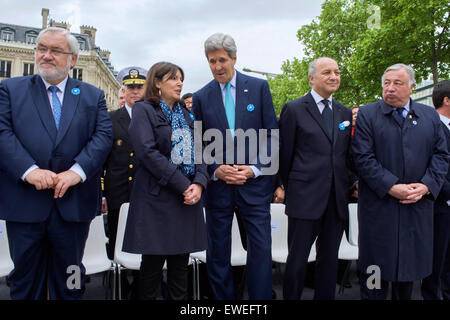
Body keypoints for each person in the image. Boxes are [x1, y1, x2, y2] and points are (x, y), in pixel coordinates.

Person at [0, 27, 112, 300]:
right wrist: (30, 171)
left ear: (72, 59)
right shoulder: (10, 89)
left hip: (73, 207)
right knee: (25, 282)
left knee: (71, 279)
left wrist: (76, 172)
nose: (46, 56)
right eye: (41, 49)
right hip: (25, 206)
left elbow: (103, 136)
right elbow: (2, 133)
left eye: (55, 51)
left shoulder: (92, 95)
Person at [352, 63, 449, 300]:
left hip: (416, 209)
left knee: (407, 275)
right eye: (386, 83)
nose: (390, 88)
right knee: (375, 277)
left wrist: (427, 185)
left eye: (397, 83)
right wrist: (391, 187)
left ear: (412, 87)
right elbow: (363, 159)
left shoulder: (429, 117)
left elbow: (441, 155)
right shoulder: (367, 114)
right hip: (379, 210)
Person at [193, 33, 278, 300]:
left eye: (221, 60)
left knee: (261, 249)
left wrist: (254, 168)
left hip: (254, 186)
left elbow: (271, 136)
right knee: (218, 251)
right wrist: (216, 169)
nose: (217, 66)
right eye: (211, 61)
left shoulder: (259, 87)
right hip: (218, 189)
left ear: (234, 58)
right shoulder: (200, 96)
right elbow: (196, 144)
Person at [122, 62, 208, 300]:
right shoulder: (144, 109)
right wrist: (184, 185)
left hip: (187, 199)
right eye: (173, 78)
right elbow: (147, 153)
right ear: (157, 82)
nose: (180, 83)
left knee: (181, 266)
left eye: (181, 78)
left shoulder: (188, 114)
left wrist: (199, 183)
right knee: (151, 268)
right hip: (156, 198)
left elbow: (201, 151)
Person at [279, 57, 352, 300]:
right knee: (298, 261)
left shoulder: (343, 112)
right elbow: (285, 154)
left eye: (337, 72)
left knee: (329, 261)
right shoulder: (294, 108)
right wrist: (290, 188)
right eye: (327, 72)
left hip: (336, 200)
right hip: (304, 198)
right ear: (311, 78)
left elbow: (346, 155)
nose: (334, 76)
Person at [102, 66, 147, 299]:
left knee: (143, 243)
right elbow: (102, 159)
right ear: (124, 90)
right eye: (130, 88)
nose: (134, 92)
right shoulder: (110, 119)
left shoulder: (154, 116)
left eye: (139, 87)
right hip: (118, 191)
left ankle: (141, 288)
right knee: (115, 241)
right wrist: (101, 193)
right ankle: (118, 287)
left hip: (145, 193)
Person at [421, 80, 450, 300]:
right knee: (437, 261)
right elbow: (432, 166)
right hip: (439, 205)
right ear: (447, 100)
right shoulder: (429, 127)